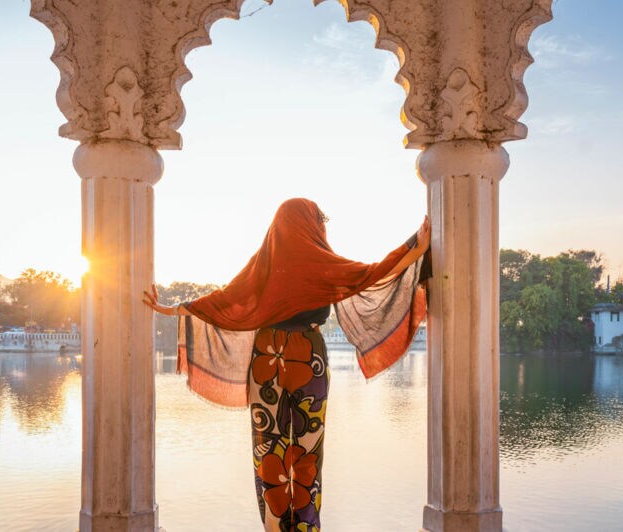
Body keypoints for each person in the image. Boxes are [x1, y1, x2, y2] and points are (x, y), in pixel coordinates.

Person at [143, 198, 430, 531]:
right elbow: (374, 273)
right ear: (312, 225)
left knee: (269, 454)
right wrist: (415, 246)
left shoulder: (264, 265)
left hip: (266, 357)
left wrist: (169, 309)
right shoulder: (321, 264)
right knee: (308, 451)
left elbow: (224, 299)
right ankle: (306, 528)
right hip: (310, 357)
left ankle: (275, 526)